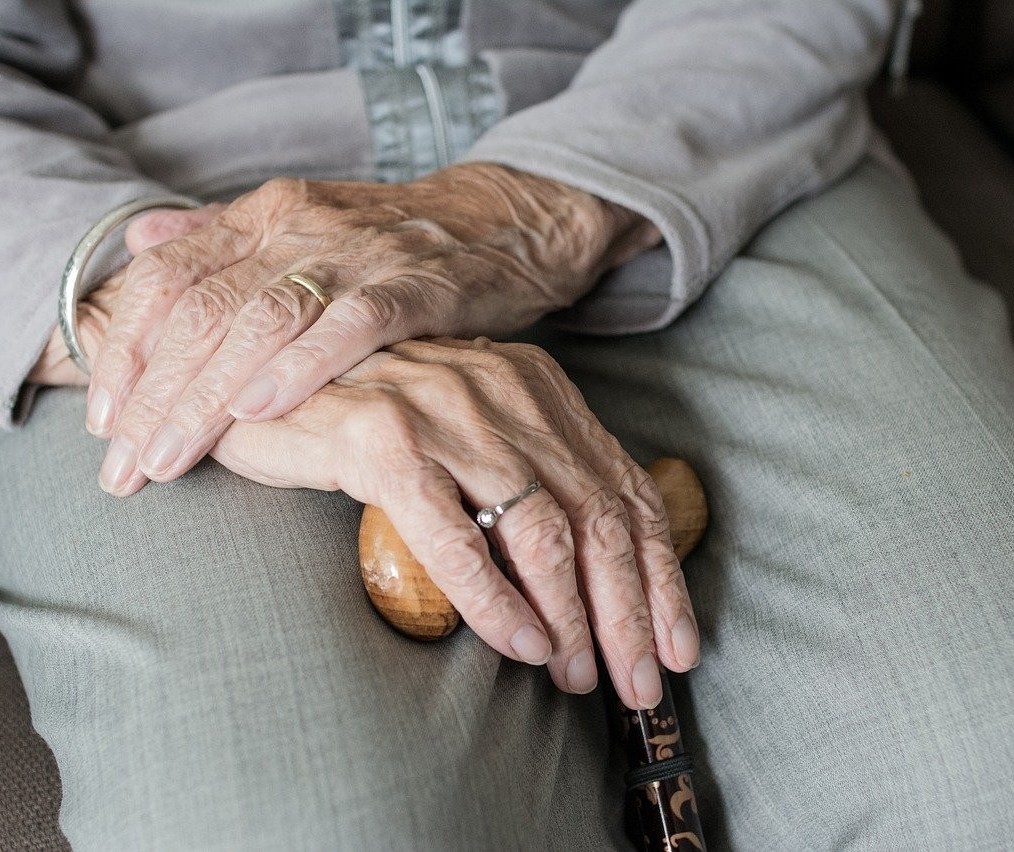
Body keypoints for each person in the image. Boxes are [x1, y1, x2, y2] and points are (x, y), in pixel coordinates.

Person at [1, 0, 1012, 849]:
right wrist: (175, 317)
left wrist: (523, 212)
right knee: (305, 825)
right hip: (146, 212)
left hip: (699, 127)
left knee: (979, 759)